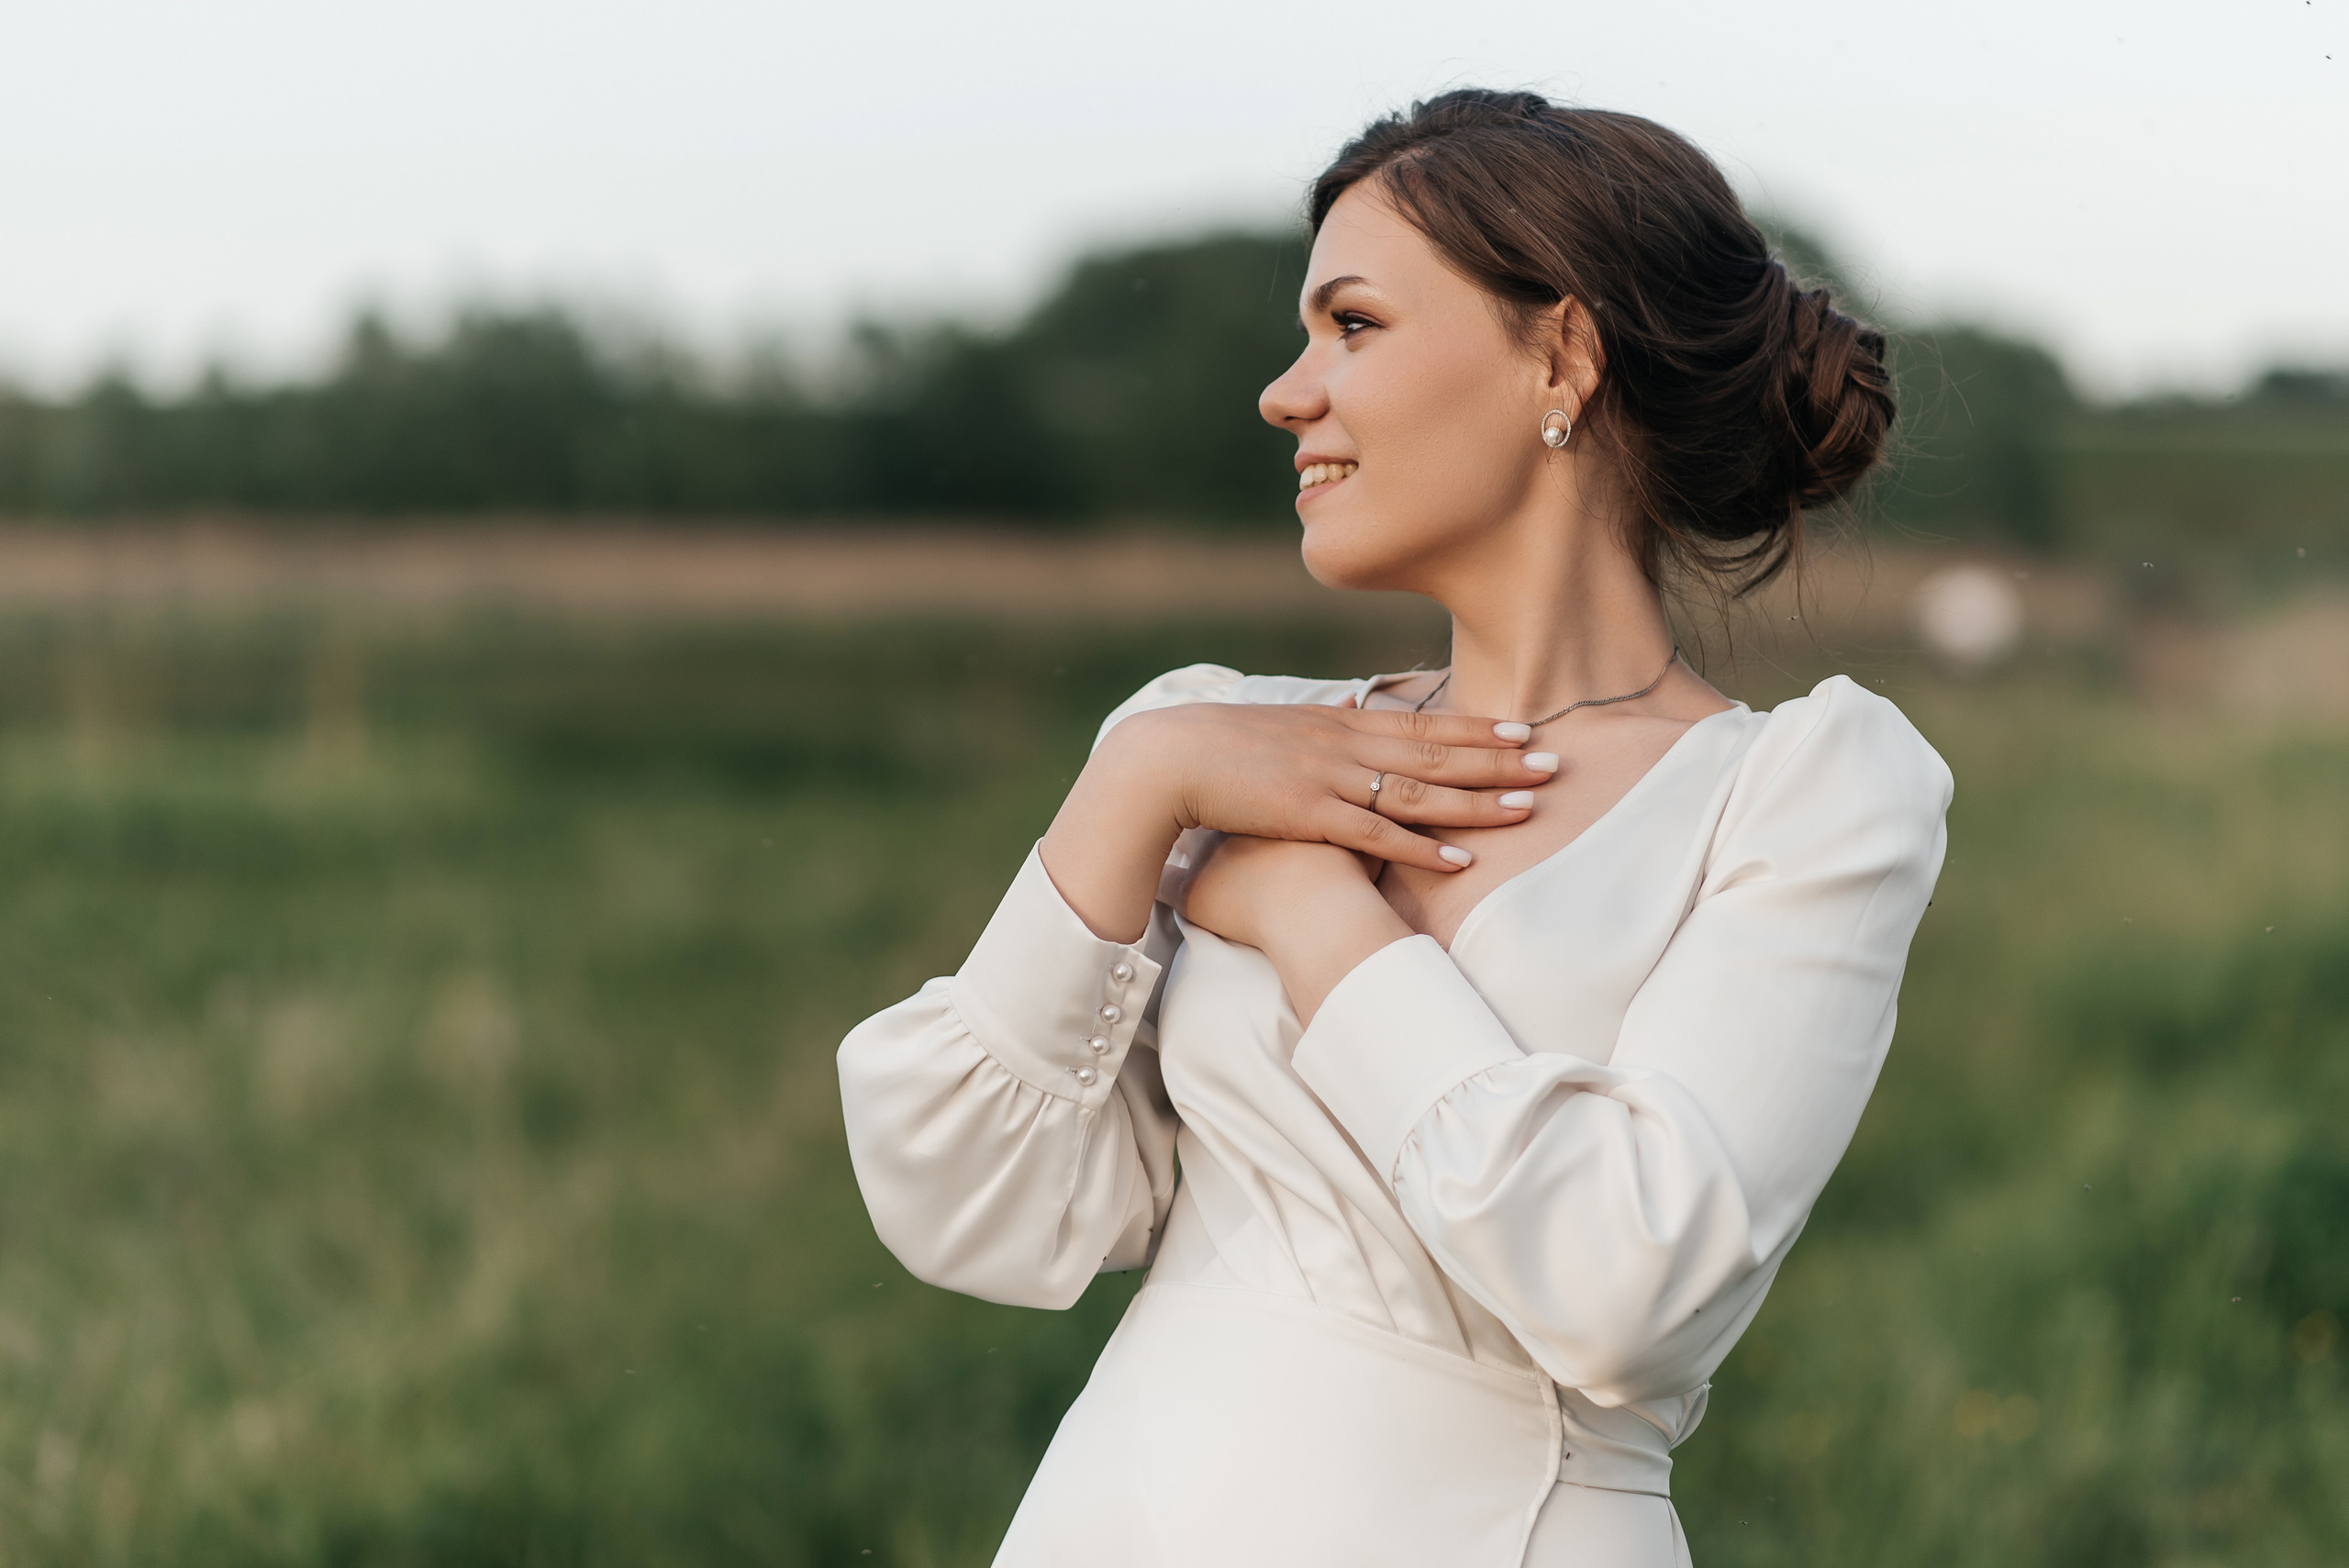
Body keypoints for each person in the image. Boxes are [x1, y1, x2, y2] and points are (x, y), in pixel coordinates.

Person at [837, 89, 1950, 1567]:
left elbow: (1630, 1285)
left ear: (1559, 353)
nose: (1285, 393)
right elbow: (971, 1200)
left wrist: (1317, 919)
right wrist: (1133, 787)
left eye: (1351, 325)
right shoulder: (1214, 741)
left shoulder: (1801, 796)